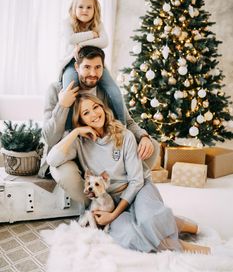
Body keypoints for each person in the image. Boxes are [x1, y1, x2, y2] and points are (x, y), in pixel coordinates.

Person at [46, 92, 210, 254]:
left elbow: (136, 181)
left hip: (139, 190)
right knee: (130, 236)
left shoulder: (124, 135)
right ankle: (178, 238)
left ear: (103, 108)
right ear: (80, 120)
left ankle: (190, 238)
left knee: (149, 220)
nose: (94, 114)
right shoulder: (78, 142)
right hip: (109, 200)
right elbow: (52, 160)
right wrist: (75, 132)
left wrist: (113, 216)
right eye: (86, 113)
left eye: (96, 107)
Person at [40, 46, 160, 206]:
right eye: (87, 67)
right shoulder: (56, 90)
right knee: (65, 174)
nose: (92, 73)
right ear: (77, 67)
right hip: (68, 148)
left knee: (152, 146)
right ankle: (96, 207)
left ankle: (126, 192)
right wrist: (63, 105)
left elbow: (128, 122)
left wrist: (144, 137)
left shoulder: (108, 92)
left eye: (98, 67)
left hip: (98, 149)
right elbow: (49, 138)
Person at [60, 0, 125, 127]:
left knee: (114, 90)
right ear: (74, 9)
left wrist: (82, 43)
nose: (85, 10)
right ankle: (68, 129)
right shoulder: (67, 23)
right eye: (81, 7)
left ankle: (122, 125)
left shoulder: (98, 24)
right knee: (69, 90)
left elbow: (104, 42)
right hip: (72, 63)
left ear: (94, 10)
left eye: (89, 7)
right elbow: (71, 39)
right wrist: (92, 34)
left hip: (94, 64)